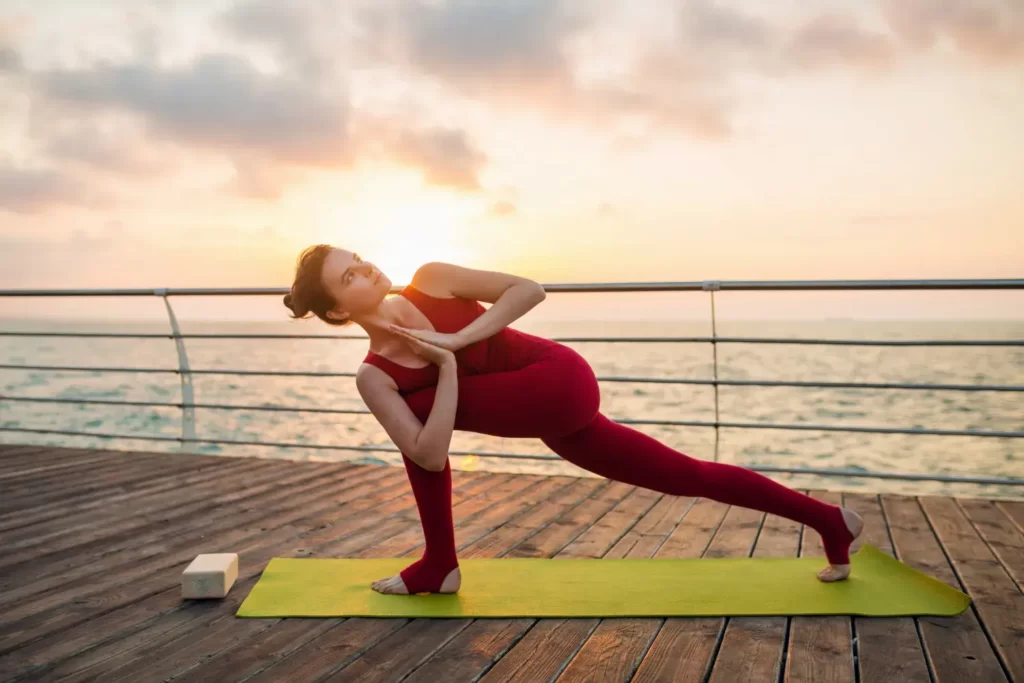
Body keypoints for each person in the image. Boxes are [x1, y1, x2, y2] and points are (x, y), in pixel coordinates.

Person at [284, 245, 864, 595]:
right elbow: (431, 455)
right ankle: (830, 521)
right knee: (685, 474)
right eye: (349, 275)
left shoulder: (431, 277)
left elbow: (528, 290)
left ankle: (438, 565)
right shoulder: (374, 376)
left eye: (358, 258)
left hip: (557, 378)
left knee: (418, 421)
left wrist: (457, 340)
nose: (366, 267)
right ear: (337, 309)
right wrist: (449, 368)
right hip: (556, 423)